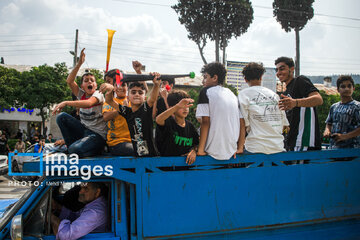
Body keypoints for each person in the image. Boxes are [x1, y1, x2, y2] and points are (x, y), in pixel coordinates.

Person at [52, 48, 107, 158]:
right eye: (86, 81)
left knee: (75, 149)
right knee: (61, 117)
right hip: (84, 131)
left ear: (96, 85)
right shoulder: (80, 94)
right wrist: (79, 64)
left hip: (97, 136)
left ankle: (89, 149)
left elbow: (89, 103)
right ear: (82, 86)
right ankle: (71, 147)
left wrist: (66, 102)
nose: (89, 82)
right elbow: (69, 81)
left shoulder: (98, 94)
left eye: (92, 80)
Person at [100, 73, 161, 157]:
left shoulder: (146, 108)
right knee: (141, 154)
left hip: (150, 152)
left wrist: (156, 85)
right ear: (128, 97)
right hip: (138, 150)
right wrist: (110, 90)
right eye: (133, 92)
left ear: (145, 97)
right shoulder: (126, 111)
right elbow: (109, 101)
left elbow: (153, 98)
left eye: (140, 93)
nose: (137, 94)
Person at [196, 62, 245, 160]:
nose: (203, 81)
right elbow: (242, 123)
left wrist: (200, 150)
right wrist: (239, 148)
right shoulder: (232, 94)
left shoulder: (205, 91)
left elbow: (205, 122)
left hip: (212, 151)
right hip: (231, 152)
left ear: (214, 78)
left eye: (205, 77)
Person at [238, 62, 289, 154]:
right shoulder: (274, 95)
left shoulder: (243, 95)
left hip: (255, 148)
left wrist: (240, 147)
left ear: (245, 79)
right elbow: (285, 126)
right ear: (261, 77)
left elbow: (242, 124)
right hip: (277, 148)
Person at [275, 56, 323, 151]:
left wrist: (295, 102)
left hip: (304, 140)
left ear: (292, 69)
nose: (278, 73)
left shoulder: (300, 81)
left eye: (282, 69)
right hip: (291, 141)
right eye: (276, 70)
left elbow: (318, 99)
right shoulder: (284, 93)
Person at [155, 90, 199, 165]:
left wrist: (194, 151)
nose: (185, 108)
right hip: (166, 168)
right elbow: (158, 119)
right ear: (173, 107)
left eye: (187, 105)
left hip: (185, 168)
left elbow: (197, 143)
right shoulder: (168, 122)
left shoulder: (190, 126)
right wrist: (178, 106)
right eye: (182, 106)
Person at [101, 69, 134, 156]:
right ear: (114, 88)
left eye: (123, 85)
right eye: (117, 85)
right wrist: (122, 109)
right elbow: (105, 117)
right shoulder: (109, 101)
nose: (120, 87)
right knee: (138, 150)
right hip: (116, 143)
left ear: (127, 88)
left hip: (134, 140)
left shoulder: (133, 100)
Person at [323, 75, 360, 149]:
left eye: (349, 86)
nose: (346, 89)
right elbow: (329, 123)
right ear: (338, 89)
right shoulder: (334, 107)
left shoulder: (357, 106)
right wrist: (327, 131)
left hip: (352, 150)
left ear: (353, 88)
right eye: (343, 86)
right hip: (334, 149)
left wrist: (344, 136)